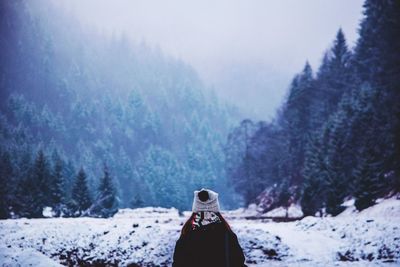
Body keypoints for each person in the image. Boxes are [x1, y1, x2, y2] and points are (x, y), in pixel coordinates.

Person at [172, 188, 247, 267]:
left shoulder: (187, 234)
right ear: (216, 209)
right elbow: (238, 262)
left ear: (195, 209)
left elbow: (178, 263)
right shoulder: (227, 234)